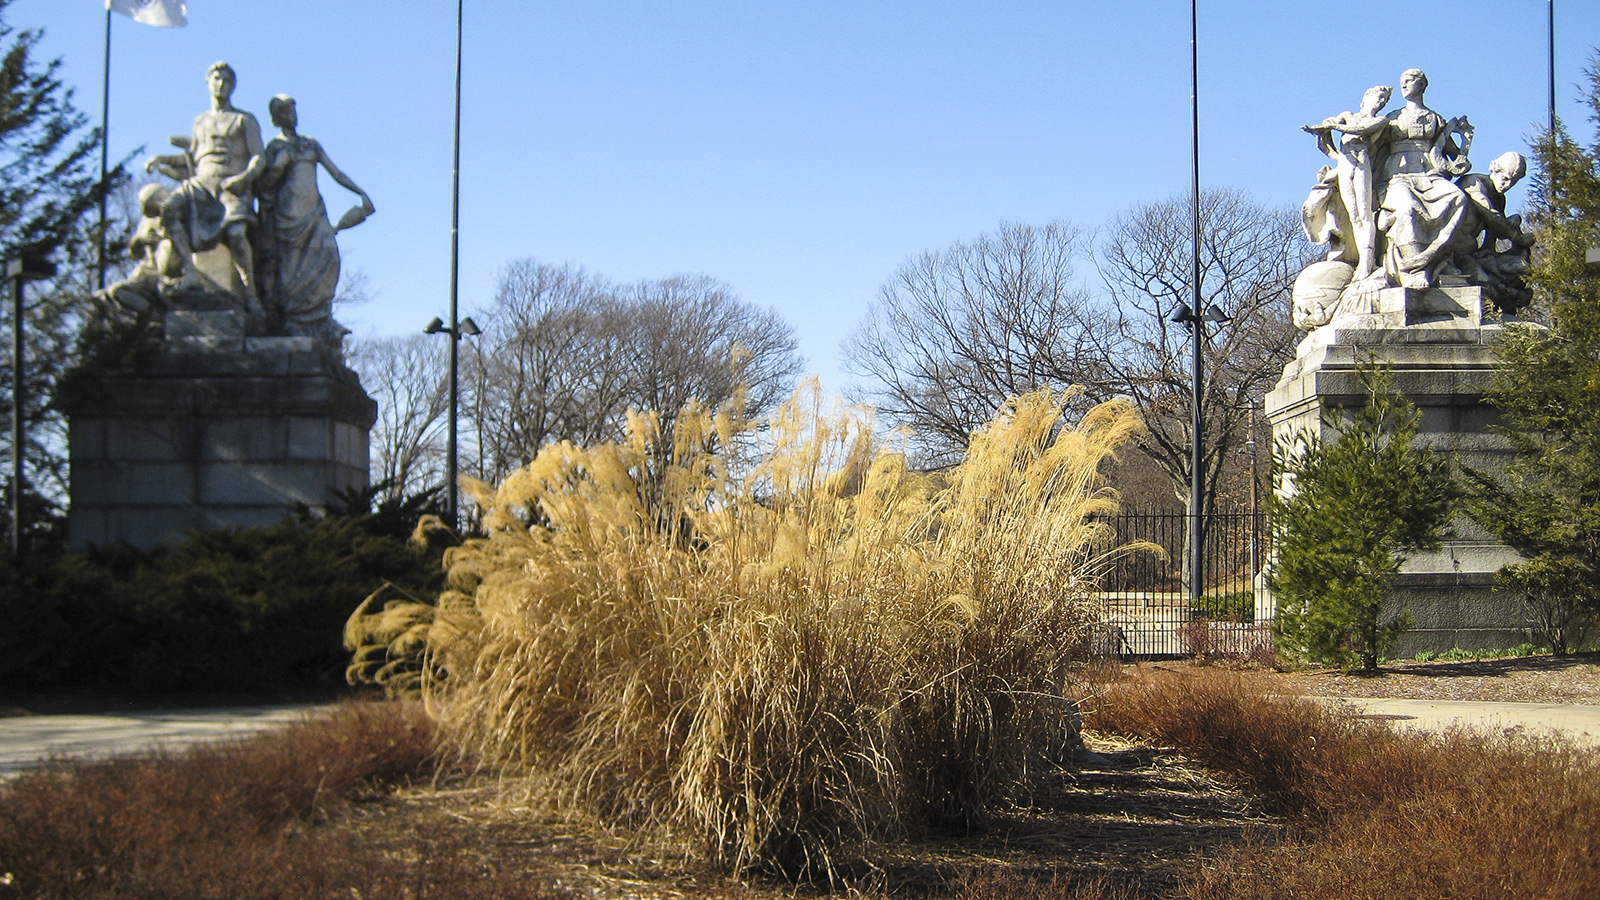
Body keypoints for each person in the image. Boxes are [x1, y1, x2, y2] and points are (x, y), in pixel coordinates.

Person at [225, 94, 374, 343]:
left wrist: (360, 192)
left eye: (293, 110)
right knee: (292, 269)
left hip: (314, 212)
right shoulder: (274, 148)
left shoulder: (310, 144)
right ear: (276, 118)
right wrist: (277, 168)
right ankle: (293, 321)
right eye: (284, 112)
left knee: (329, 256)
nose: (291, 116)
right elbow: (264, 187)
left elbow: (336, 172)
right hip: (287, 217)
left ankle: (321, 317)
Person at [145, 61, 263, 303]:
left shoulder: (244, 119)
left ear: (234, 85)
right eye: (217, 79)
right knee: (170, 210)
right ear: (208, 82)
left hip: (231, 185)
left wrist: (244, 178)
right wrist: (161, 159)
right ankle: (190, 273)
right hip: (200, 185)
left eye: (227, 80)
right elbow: (191, 159)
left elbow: (259, 158)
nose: (221, 84)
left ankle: (251, 294)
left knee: (238, 235)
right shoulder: (200, 122)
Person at [1375, 69, 1471, 290]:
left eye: (1409, 81)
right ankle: (1413, 270)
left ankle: (1437, 257)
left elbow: (1453, 155)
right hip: (1397, 176)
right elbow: (1372, 147)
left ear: (1422, 85)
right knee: (1407, 208)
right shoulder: (1392, 118)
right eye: (1402, 81)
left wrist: (1465, 144)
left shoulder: (1435, 119)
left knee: (1457, 197)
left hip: (1429, 175)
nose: (1404, 85)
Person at [1303, 85, 1392, 279]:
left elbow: (1359, 129)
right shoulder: (1347, 114)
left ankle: (1368, 261)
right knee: (1353, 216)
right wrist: (1322, 133)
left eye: (1385, 100)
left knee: (1364, 212)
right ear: (1365, 98)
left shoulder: (1380, 120)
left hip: (1361, 162)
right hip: (1345, 163)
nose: (1381, 101)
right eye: (1379, 96)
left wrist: (1333, 127)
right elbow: (1325, 142)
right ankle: (1362, 259)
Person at [1451, 151, 1534, 314]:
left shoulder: (1499, 198)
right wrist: (1520, 238)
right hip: (1452, 252)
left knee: (1518, 269)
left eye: (1513, 182)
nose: (1508, 185)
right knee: (1488, 286)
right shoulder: (1474, 183)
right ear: (1495, 170)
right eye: (1505, 178)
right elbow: (1492, 217)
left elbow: (1498, 233)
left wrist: (1514, 225)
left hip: (1474, 254)